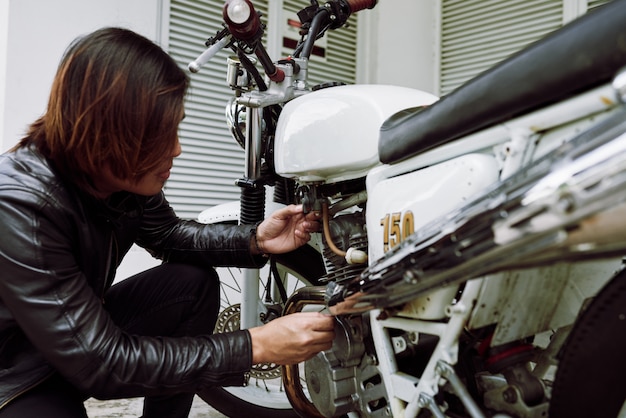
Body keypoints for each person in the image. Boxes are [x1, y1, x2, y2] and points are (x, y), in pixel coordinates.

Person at [0, 27, 335, 417]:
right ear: (113, 132)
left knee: (190, 284)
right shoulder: (22, 205)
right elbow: (100, 363)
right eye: (163, 134)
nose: (176, 148)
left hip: (73, 335)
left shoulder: (116, 176)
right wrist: (254, 345)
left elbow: (168, 235)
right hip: (16, 372)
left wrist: (256, 239)